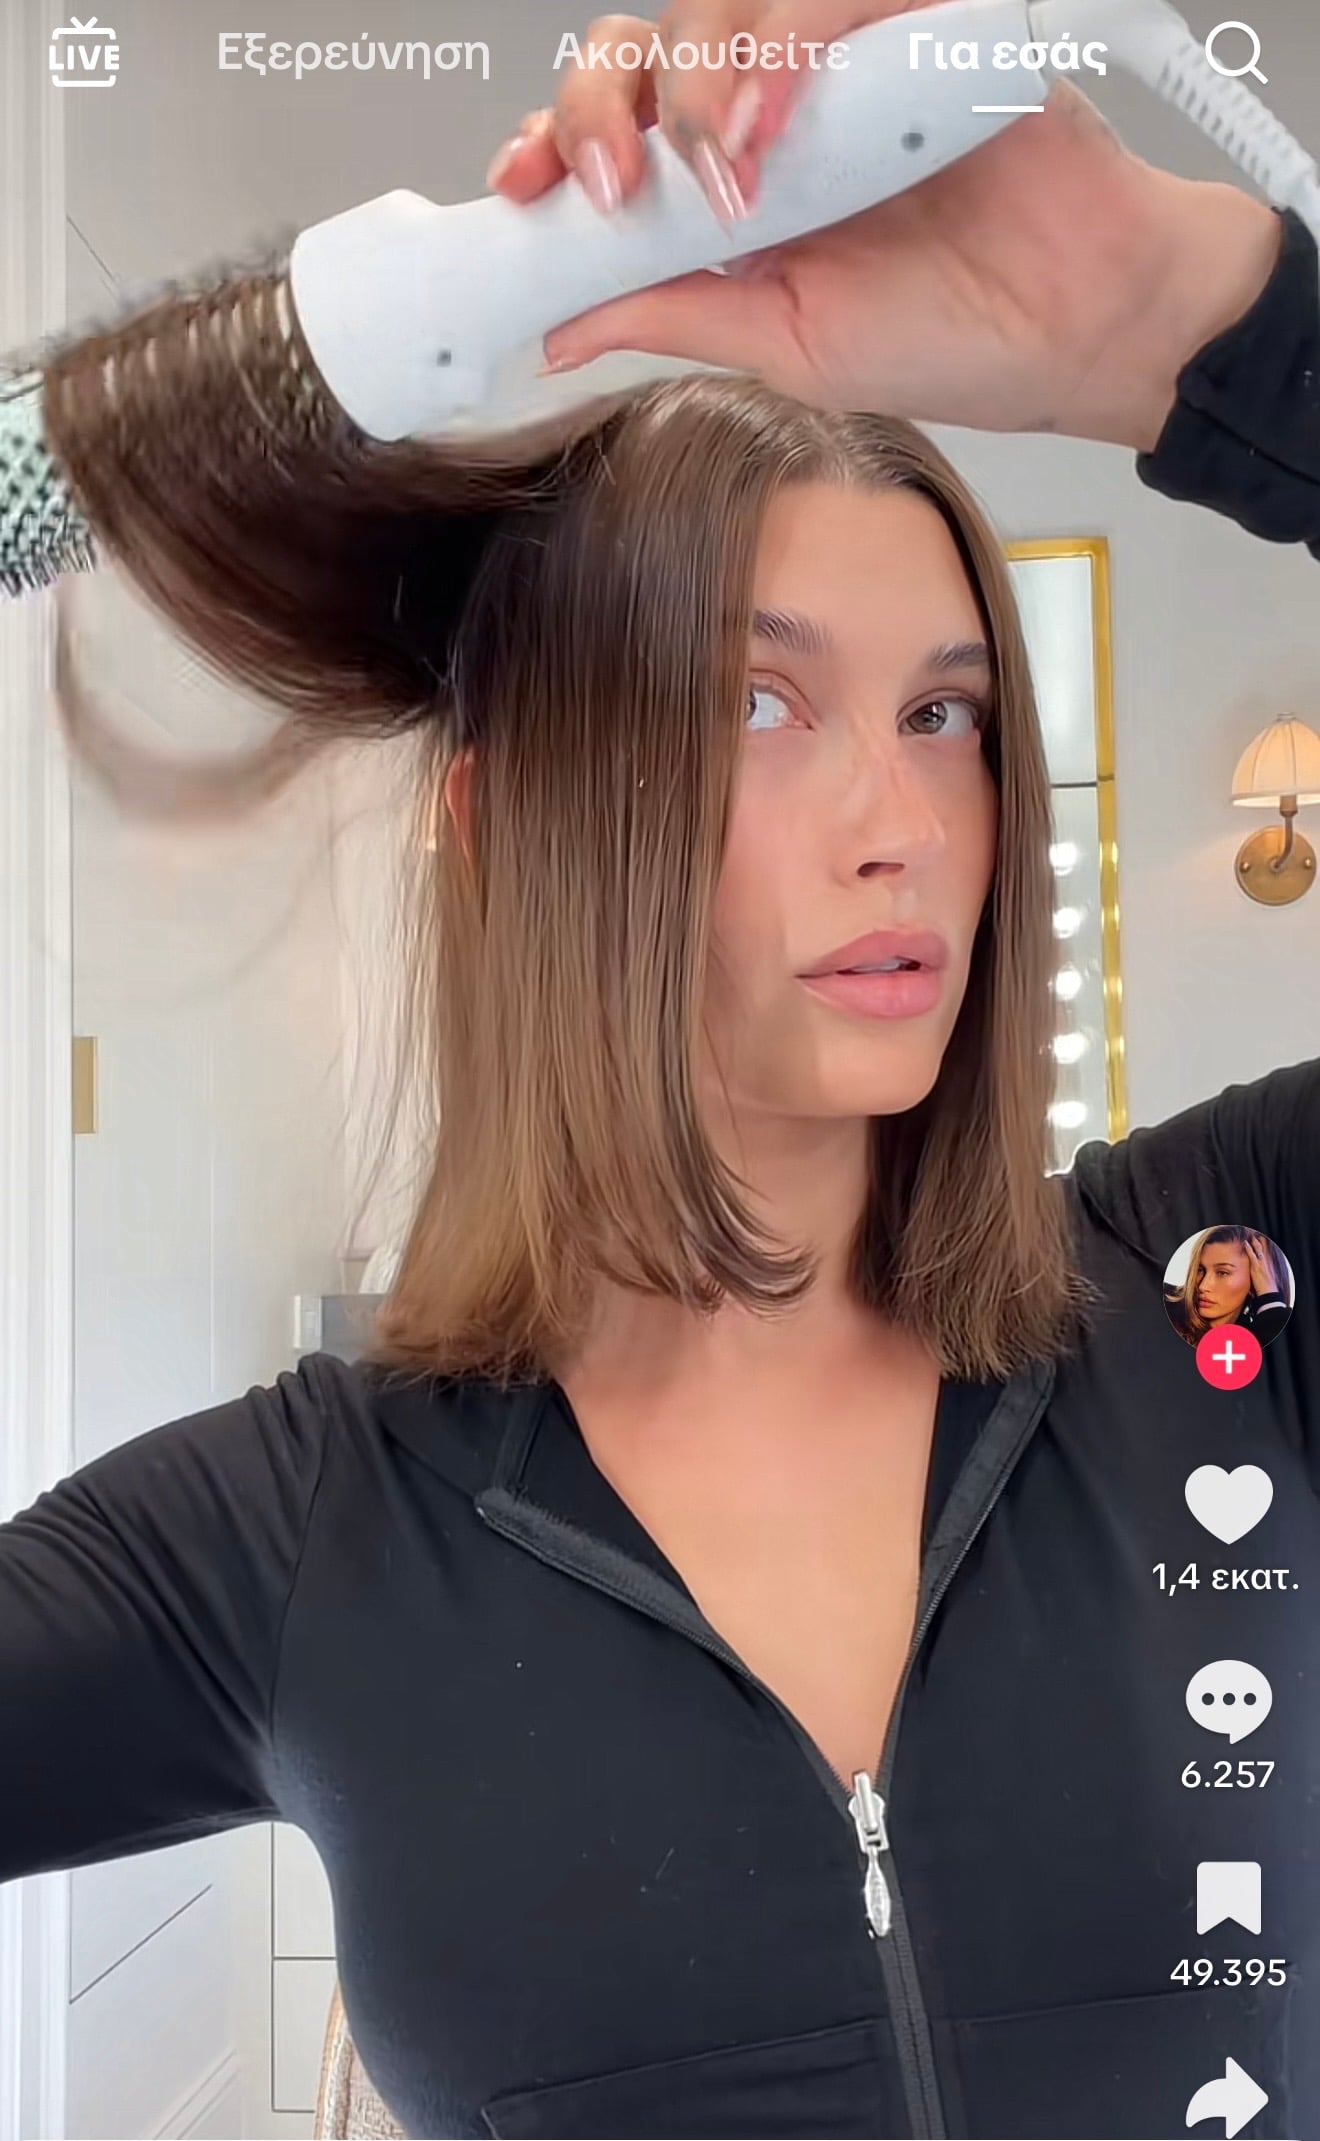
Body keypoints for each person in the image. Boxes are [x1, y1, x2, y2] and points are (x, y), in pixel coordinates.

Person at [2, 5, 1318, 2137]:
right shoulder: (296, 1535)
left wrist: (1186, 329)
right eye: (761, 707)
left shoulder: (1227, 1292)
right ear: (503, 820)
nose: (906, 822)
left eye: (947, 714)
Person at [1165, 1226, 1294, 1349]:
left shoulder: (1255, 1340)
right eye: (1200, 1269)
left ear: (1255, 1281)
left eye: (1222, 1273)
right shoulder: (1163, 1303)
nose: (1203, 1286)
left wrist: (1270, 1298)